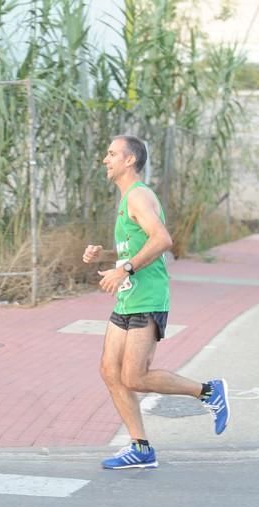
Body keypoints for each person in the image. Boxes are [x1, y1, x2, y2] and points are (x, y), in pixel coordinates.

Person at [83, 135, 230, 469]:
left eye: (111, 154)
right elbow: (133, 249)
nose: (105, 160)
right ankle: (141, 447)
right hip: (128, 297)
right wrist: (103, 256)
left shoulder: (138, 197)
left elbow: (163, 239)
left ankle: (207, 392)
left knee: (134, 376)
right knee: (109, 371)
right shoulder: (127, 200)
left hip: (146, 297)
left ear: (130, 160)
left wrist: (127, 269)